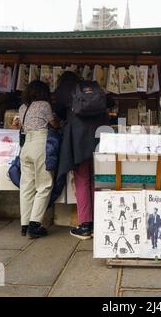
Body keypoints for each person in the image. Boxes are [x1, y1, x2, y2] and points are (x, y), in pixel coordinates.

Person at [55, 71, 111, 240]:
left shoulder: (63, 91)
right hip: (100, 138)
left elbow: (59, 113)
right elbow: (111, 102)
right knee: (96, 180)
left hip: (78, 141)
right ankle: (98, 222)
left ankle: (86, 225)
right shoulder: (94, 90)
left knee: (81, 180)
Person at [19, 80, 59, 239]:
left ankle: (24, 224)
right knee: (44, 184)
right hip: (40, 143)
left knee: (27, 186)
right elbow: (54, 124)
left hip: (26, 146)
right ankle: (35, 225)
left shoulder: (23, 107)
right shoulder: (44, 105)